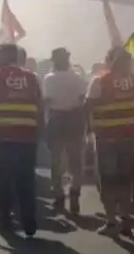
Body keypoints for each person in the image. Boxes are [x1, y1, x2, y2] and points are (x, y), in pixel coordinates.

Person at [85, 47, 134, 237]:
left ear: (110, 61)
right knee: (125, 180)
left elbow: (87, 107)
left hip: (107, 138)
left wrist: (87, 132)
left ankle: (111, 222)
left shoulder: (99, 81)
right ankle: (126, 221)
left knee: (108, 181)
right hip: (131, 137)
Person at [0, 43, 42, 237]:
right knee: (26, 179)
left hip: (1, 136)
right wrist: (39, 131)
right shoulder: (32, 77)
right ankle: (29, 220)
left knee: (1, 179)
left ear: (3, 56)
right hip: (27, 137)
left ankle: (4, 219)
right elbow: (40, 105)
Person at [43, 47, 87, 215]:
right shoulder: (77, 78)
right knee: (76, 160)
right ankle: (75, 191)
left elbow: (46, 102)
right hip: (74, 119)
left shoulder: (49, 79)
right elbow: (83, 99)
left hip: (57, 120)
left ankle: (59, 194)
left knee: (56, 160)